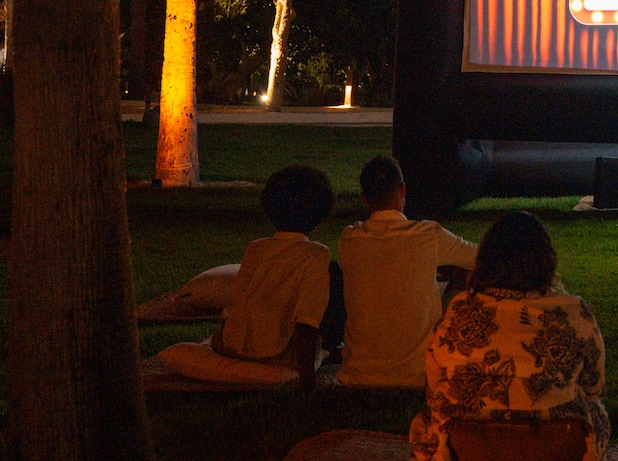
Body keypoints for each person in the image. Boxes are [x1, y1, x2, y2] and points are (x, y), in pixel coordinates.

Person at [404, 210, 618, 461]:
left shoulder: (459, 310)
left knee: (425, 423)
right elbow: (594, 385)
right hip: (557, 459)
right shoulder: (573, 310)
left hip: (472, 460)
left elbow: (434, 386)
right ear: (547, 260)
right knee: (594, 410)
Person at [159, 164, 342, 391]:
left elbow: (237, 302)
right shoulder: (316, 255)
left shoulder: (255, 249)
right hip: (279, 354)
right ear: (320, 212)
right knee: (333, 277)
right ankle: (334, 346)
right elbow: (307, 323)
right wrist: (308, 383)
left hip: (231, 346)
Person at [336, 155, 479, 388]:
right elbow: (480, 257)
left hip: (357, 374)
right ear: (402, 190)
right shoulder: (427, 235)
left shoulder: (349, 239)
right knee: (465, 273)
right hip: (417, 374)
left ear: (364, 199)